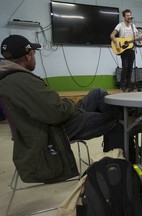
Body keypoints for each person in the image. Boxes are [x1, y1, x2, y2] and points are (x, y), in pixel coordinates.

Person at [0, 35, 124, 178]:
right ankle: (114, 169)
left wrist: (64, 104)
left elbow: (48, 107)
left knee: (97, 93)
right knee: (116, 123)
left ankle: (124, 120)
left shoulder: (10, 78)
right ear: (28, 56)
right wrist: (68, 103)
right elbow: (56, 113)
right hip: (55, 130)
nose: (34, 57)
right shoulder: (22, 81)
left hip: (52, 121)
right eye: (33, 53)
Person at [110, 9, 142, 92]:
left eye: (130, 15)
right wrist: (117, 44)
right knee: (125, 67)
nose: (129, 17)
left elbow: (135, 38)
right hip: (123, 49)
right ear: (124, 17)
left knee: (130, 68)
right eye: (127, 15)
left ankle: (129, 86)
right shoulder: (120, 25)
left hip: (131, 50)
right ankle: (122, 86)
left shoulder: (133, 27)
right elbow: (112, 35)